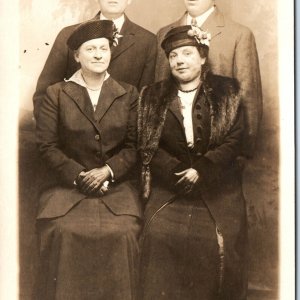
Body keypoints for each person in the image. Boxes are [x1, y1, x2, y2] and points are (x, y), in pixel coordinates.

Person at [138, 25, 247, 299]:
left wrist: (202, 169)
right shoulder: (152, 96)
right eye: (173, 55)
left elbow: (234, 140)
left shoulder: (227, 92)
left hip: (218, 185)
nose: (180, 60)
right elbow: (148, 145)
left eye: (187, 53)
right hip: (171, 186)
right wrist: (177, 172)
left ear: (202, 57)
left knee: (215, 241)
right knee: (158, 235)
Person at [34, 20, 141, 300]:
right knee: (62, 230)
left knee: (125, 232)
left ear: (110, 53)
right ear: (76, 56)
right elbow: (48, 146)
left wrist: (107, 171)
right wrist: (81, 176)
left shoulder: (129, 94)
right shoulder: (56, 94)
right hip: (67, 190)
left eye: (103, 48)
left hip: (115, 190)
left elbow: (134, 147)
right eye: (90, 49)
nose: (97, 55)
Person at [155, 0, 262, 158]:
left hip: (222, 156)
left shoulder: (239, 34)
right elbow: (158, 95)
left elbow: (249, 100)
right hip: (173, 156)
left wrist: (242, 154)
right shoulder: (163, 34)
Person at [33, 0, 156, 120]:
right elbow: (44, 94)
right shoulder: (68, 34)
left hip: (123, 136)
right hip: (71, 135)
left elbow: (146, 102)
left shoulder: (147, 41)